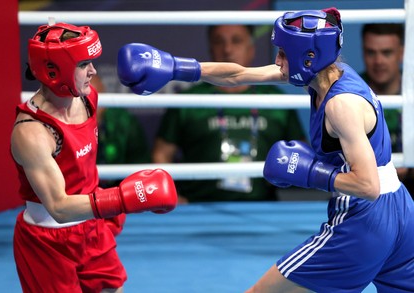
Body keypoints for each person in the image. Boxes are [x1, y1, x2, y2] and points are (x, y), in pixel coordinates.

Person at [117, 7, 414, 292]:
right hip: (402, 210)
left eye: (284, 53)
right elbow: (239, 75)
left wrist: (312, 173)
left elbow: (367, 185)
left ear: (308, 57)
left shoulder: (340, 105)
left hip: (365, 219)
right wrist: (177, 68)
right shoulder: (330, 73)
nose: (278, 59)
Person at [11, 22, 178, 292]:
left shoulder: (88, 98)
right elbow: (59, 207)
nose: (93, 71)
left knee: (112, 288)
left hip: (91, 224)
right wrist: (122, 199)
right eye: (83, 64)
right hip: (48, 239)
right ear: (56, 71)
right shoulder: (32, 133)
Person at [153, 25, 305, 203]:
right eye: (219, 42)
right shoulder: (188, 100)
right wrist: (173, 198)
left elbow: (300, 155)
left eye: (236, 41)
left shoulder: (276, 99)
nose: (227, 49)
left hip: (263, 208)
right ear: (210, 49)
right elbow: (161, 154)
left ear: (251, 49)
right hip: (197, 207)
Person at [360, 23, 414, 198]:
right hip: (362, 190)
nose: (378, 61)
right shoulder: (346, 91)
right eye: (371, 52)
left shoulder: (412, 90)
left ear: (401, 53)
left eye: (387, 52)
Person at [91, 75, 151, 188]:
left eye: (94, 101)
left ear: (104, 105)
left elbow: (141, 170)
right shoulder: (62, 126)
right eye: (81, 101)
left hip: (122, 194)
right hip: (78, 197)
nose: (88, 109)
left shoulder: (124, 123)